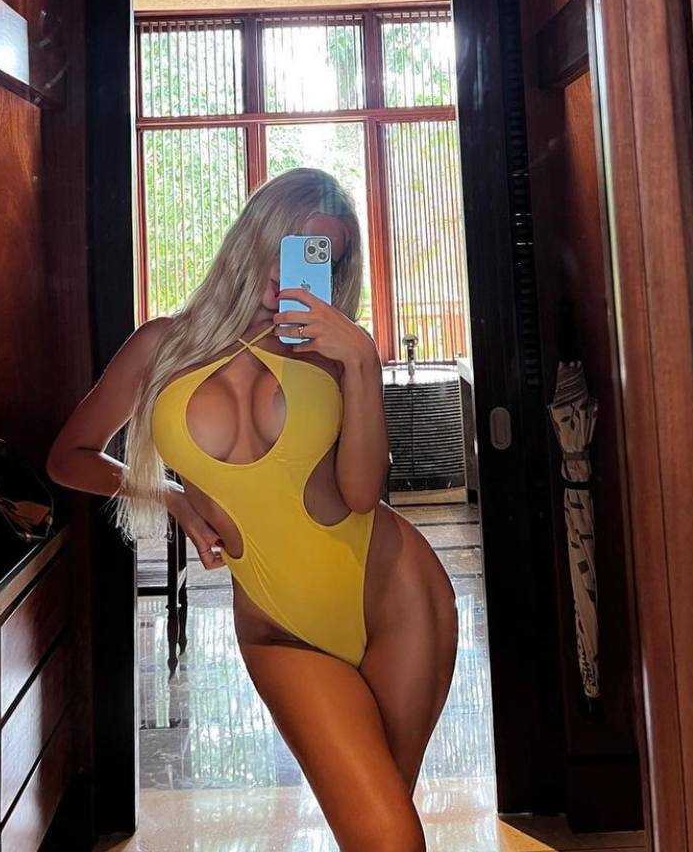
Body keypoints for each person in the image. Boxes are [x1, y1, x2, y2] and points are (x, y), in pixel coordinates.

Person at [47, 167, 458, 851]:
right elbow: (71, 456)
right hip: (277, 626)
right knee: (387, 836)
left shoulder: (334, 355)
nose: (291, 270)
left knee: (381, 832)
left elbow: (361, 494)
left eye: (322, 256)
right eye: (288, 243)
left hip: (395, 595)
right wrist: (171, 496)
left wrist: (362, 364)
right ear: (254, 236)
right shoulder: (160, 346)